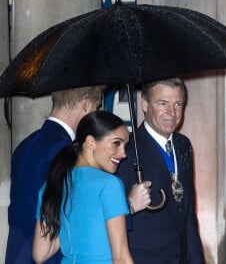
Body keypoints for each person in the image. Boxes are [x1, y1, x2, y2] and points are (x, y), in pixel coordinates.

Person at [6, 86, 105, 264]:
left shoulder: (25, 145)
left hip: (17, 255)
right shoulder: (65, 150)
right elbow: (79, 213)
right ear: (85, 105)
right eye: (96, 107)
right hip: (49, 257)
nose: (96, 113)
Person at [117, 78, 205, 264]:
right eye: (162, 103)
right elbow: (107, 218)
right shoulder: (125, 149)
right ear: (145, 104)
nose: (171, 112)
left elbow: (188, 215)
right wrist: (129, 204)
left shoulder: (183, 145)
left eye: (178, 104)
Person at [32, 110, 133, 264]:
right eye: (116, 143)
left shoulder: (52, 184)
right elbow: (120, 259)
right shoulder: (110, 184)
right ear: (91, 142)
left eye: (125, 145)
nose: (123, 153)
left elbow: (40, 254)